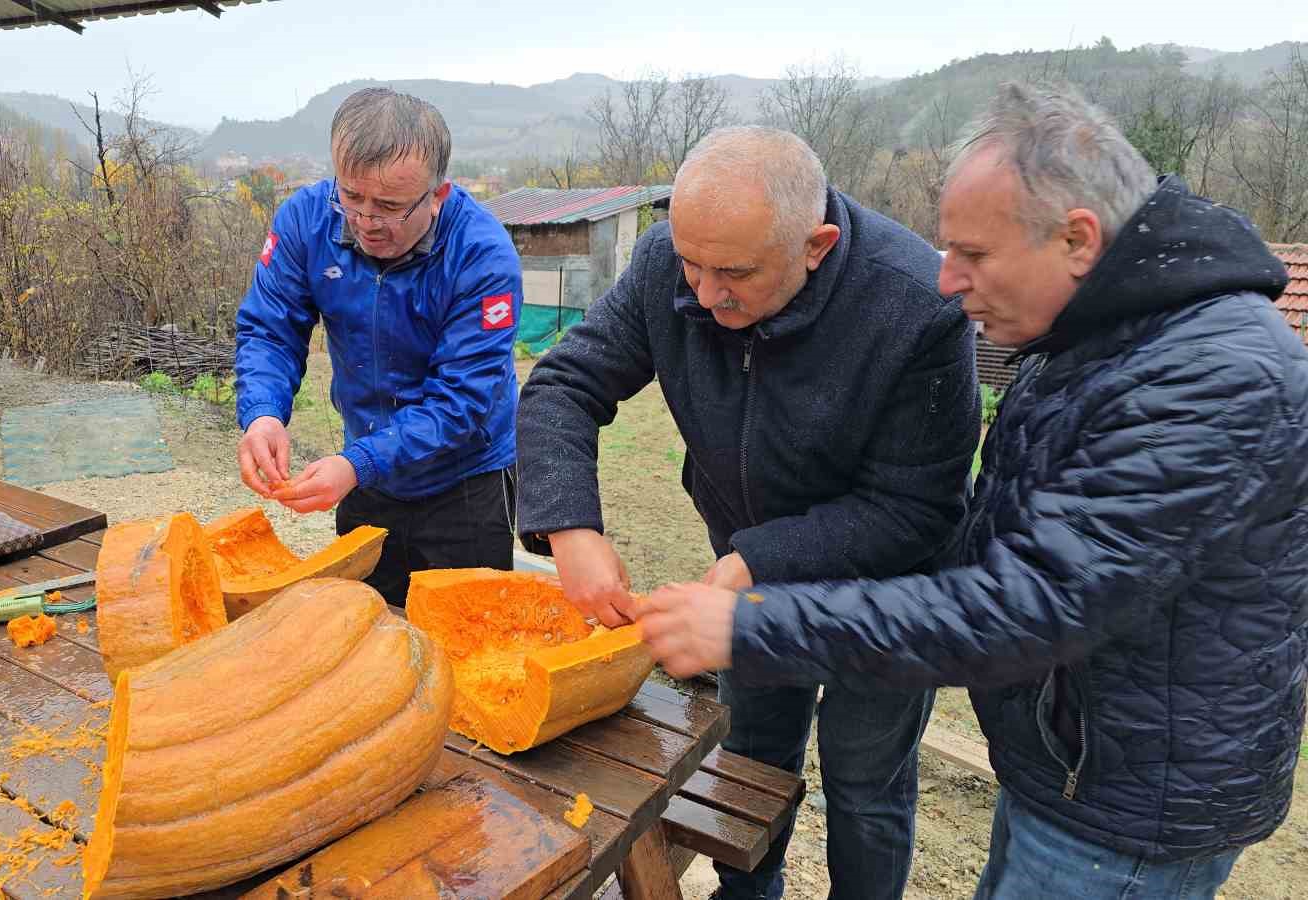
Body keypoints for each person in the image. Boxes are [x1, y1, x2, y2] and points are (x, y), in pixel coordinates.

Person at [639, 83, 1307, 900]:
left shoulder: (1205, 380)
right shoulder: (1098, 343)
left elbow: (1027, 607)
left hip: (1129, 810)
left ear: (1078, 238)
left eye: (975, 255)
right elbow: (994, 540)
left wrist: (756, 623)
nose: (948, 281)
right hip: (1072, 768)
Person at [516, 126, 980, 900]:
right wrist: (571, 525)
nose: (702, 293)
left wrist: (751, 559)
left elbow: (917, 507)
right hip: (749, 574)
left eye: (733, 273)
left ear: (817, 245)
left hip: (888, 594)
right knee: (751, 764)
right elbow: (564, 385)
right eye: (692, 265)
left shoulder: (916, 303)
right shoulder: (671, 260)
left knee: (865, 785)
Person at [234, 88, 522, 605]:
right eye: (352, 197)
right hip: (366, 477)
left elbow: (460, 401)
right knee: (365, 631)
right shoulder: (305, 221)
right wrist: (262, 413)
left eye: (389, 206)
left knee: (469, 638)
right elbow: (270, 329)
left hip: (467, 481)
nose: (366, 221)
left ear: (437, 196)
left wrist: (357, 463)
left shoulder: (483, 255)